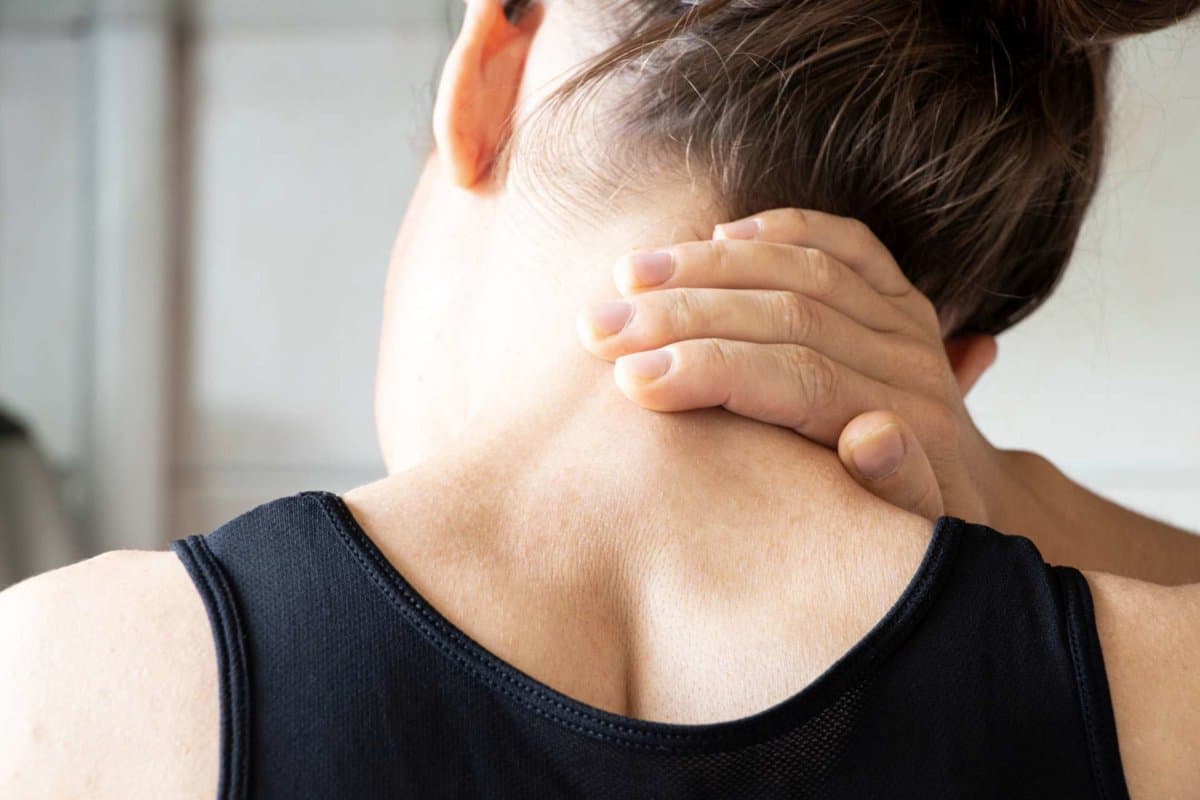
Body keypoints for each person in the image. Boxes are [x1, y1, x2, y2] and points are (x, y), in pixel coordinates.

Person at [1, 0, 1198, 798]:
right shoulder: (1168, 696)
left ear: (492, 68)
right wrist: (1023, 516)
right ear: (957, 362)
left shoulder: (69, 687)